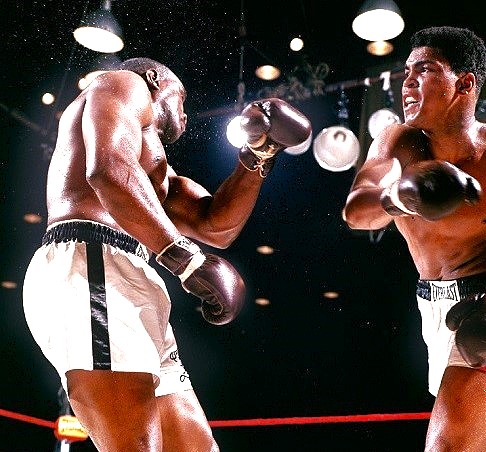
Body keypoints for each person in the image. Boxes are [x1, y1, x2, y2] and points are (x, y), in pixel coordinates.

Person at [22, 57, 311, 451]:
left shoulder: (153, 174)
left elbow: (215, 225)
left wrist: (259, 154)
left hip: (128, 276)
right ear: (156, 79)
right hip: (93, 263)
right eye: (182, 99)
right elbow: (107, 170)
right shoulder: (124, 83)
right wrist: (186, 260)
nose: (186, 115)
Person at [343, 26, 486, 451]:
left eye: (424, 70)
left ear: (465, 83)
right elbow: (356, 213)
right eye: (406, 71)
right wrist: (401, 196)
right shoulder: (396, 142)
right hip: (432, 312)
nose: (408, 82)